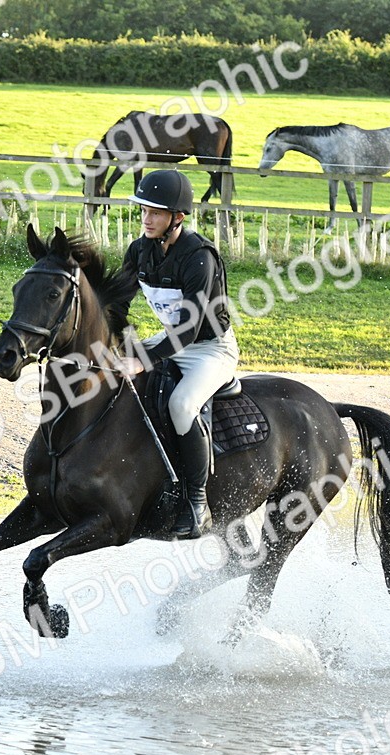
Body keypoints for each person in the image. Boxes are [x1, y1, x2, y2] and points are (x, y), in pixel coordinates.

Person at [117, 169, 239, 538]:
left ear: (177, 217)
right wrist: (122, 344)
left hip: (209, 348)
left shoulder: (198, 257)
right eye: (144, 211)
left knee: (182, 404)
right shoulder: (140, 250)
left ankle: (197, 503)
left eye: (155, 212)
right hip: (169, 338)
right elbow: (118, 304)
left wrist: (143, 359)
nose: (146, 219)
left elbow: (188, 328)